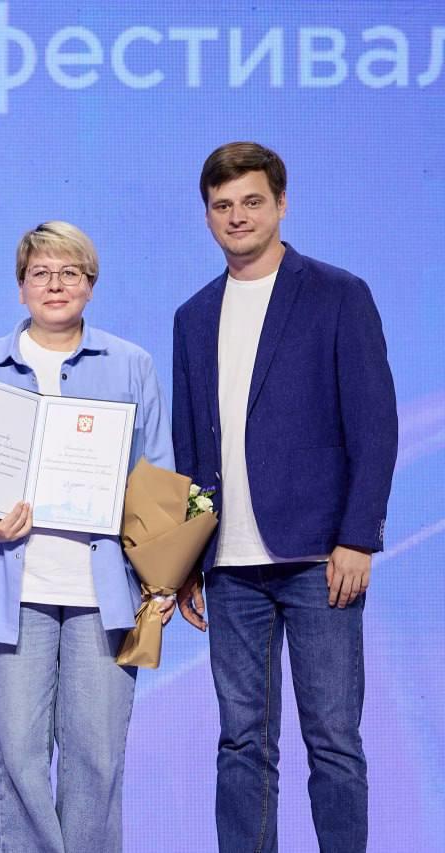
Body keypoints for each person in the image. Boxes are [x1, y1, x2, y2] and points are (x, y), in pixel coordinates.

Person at [172, 142, 397, 853]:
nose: (237, 216)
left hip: (319, 558)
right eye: (222, 205)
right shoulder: (193, 315)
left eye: (252, 201)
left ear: (281, 204)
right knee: (242, 741)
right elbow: (190, 448)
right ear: (207, 216)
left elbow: (375, 424)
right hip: (228, 566)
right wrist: (186, 557)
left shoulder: (337, 294)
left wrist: (357, 536)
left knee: (332, 737)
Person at [0, 221, 173, 853]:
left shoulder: (130, 365)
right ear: (21, 287)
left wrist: (162, 578)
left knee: (97, 759)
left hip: (105, 594)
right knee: (19, 759)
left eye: (70, 272)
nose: (55, 285)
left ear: (91, 285)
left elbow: (159, 476)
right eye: (40, 273)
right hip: (13, 591)